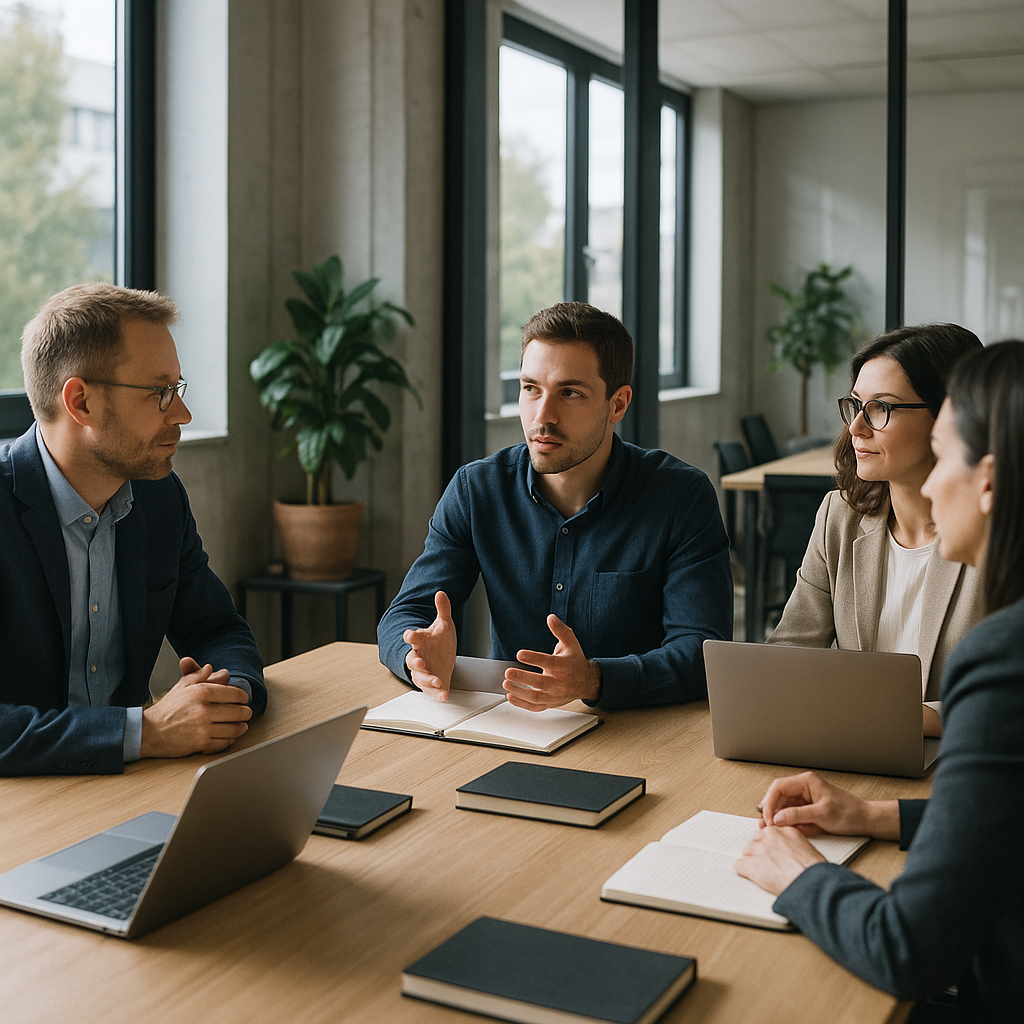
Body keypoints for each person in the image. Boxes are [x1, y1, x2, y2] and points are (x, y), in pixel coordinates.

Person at [735, 340, 1024, 1022]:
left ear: (987, 479)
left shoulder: (1004, 655)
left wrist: (800, 874)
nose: (926, 486)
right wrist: (873, 815)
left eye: (947, 453)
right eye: (855, 406)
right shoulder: (845, 517)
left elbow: (909, 949)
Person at [377, 301, 733, 710]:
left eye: (570, 393)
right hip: (513, 727)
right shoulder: (477, 489)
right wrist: (416, 655)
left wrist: (594, 679)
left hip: (641, 731)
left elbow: (702, 651)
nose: (542, 416)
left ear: (618, 404)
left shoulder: (680, 497)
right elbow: (404, 615)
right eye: (531, 388)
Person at [0, 283, 267, 777]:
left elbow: (216, 629)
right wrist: (146, 731)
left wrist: (225, 697)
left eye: (178, 389)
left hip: (131, 788)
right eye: (159, 393)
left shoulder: (159, 498)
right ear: (80, 402)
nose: (182, 415)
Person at [766, 324, 985, 736]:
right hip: (856, 751)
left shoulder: (997, 535)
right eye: (855, 406)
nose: (856, 429)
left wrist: (916, 718)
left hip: (955, 763)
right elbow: (789, 654)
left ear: (949, 418)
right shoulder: (839, 517)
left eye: (881, 408)